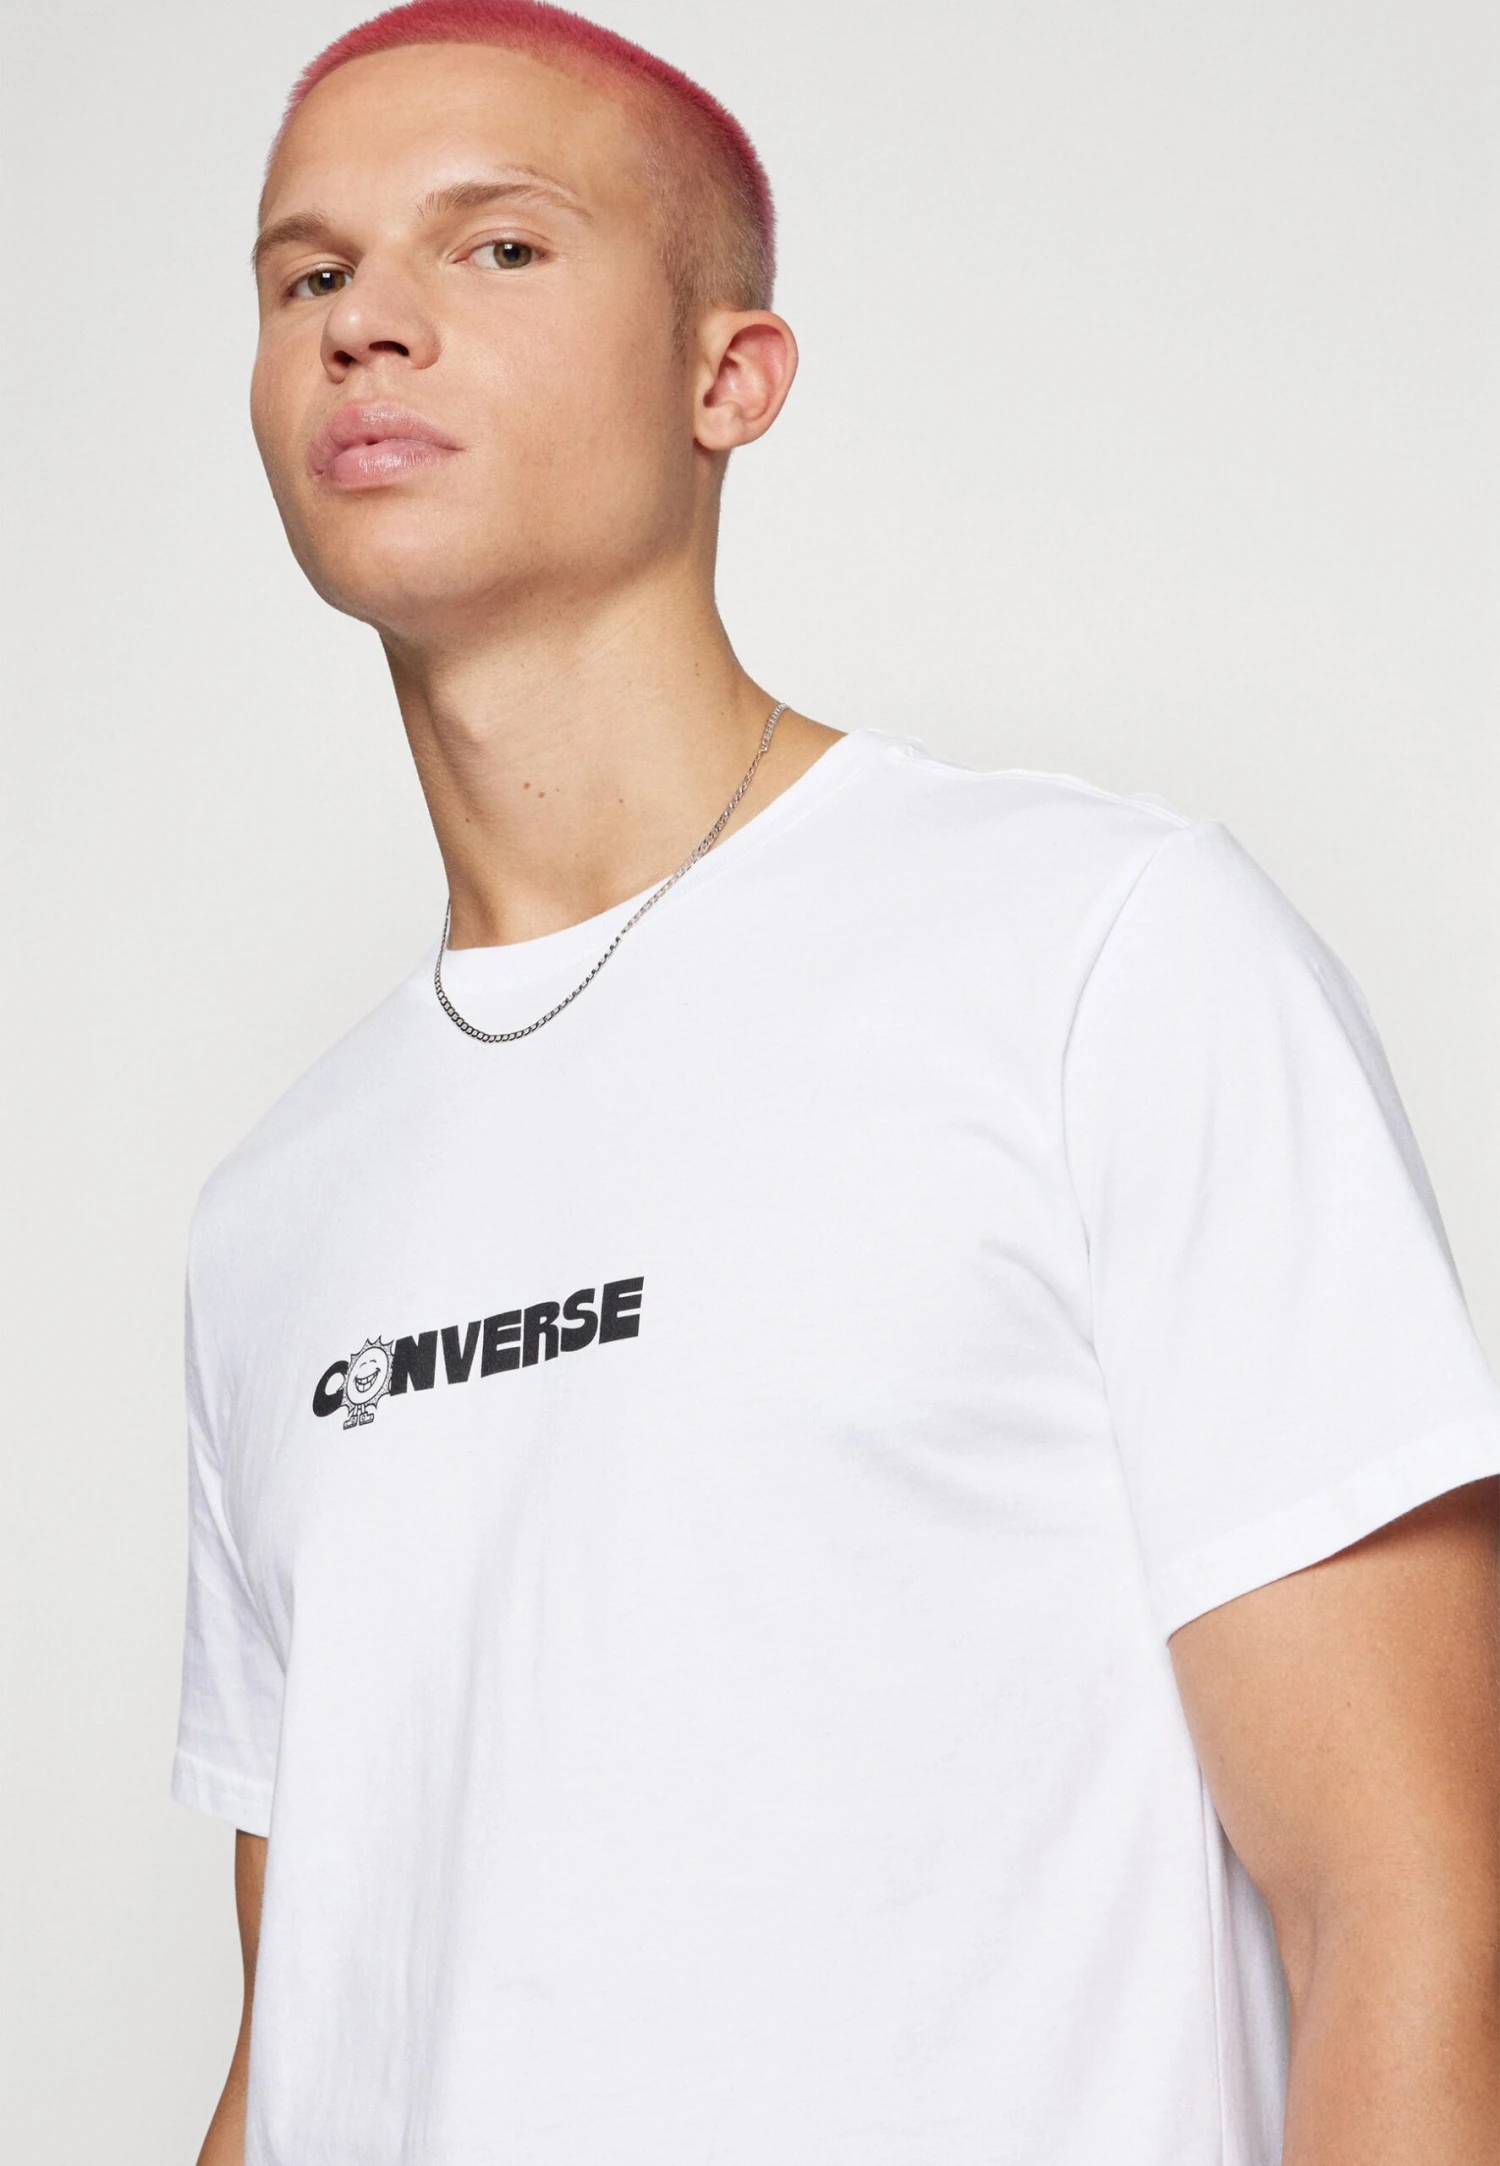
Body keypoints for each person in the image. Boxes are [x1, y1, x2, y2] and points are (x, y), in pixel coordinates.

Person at [170, 4, 1500, 2161]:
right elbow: (309, 2028)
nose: (366, 322)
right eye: (307, 272)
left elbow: (1414, 1905)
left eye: (497, 247)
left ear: (731, 378)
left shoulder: (1097, 951)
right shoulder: (276, 1212)